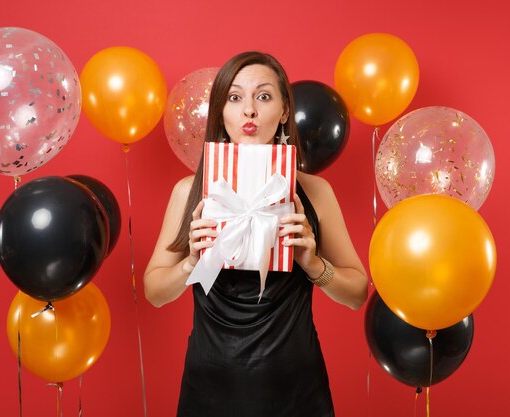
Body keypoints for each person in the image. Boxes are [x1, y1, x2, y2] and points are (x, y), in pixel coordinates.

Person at [144, 51, 368, 417]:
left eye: (263, 96)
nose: (249, 110)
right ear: (221, 112)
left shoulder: (313, 192)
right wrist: (191, 264)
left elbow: (358, 293)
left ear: (283, 111)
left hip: (297, 392)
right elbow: (154, 292)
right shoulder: (190, 191)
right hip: (209, 390)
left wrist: (313, 264)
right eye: (235, 97)